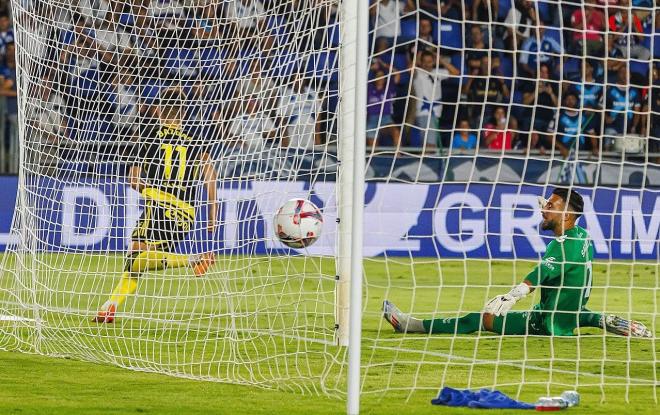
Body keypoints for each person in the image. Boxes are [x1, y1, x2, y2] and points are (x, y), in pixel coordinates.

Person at [383, 187, 653, 338]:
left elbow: (540, 274)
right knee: (579, 312)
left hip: (546, 322)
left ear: (568, 214)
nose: (543, 209)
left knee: (478, 319)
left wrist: (512, 296)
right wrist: (551, 209)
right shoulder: (582, 236)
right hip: (572, 310)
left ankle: (409, 325)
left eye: (551, 205)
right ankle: (604, 320)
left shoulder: (560, 247)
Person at [93, 89, 219, 323]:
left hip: (160, 209)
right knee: (137, 260)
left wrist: (152, 193)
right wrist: (213, 215)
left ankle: (194, 259)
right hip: (187, 215)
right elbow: (211, 177)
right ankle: (109, 306)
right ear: (183, 112)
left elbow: (133, 179)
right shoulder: (196, 142)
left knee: (135, 258)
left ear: (158, 110)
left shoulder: (149, 135)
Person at [411, 51, 460, 149]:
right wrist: (418, 55)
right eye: (424, 61)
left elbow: (456, 73)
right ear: (420, 62)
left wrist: (440, 60)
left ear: (433, 62)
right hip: (424, 113)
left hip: (435, 113)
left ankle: (426, 162)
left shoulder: (437, 72)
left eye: (429, 61)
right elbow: (410, 69)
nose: (427, 64)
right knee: (430, 145)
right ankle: (427, 163)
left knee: (429, 144)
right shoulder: (418, 73)